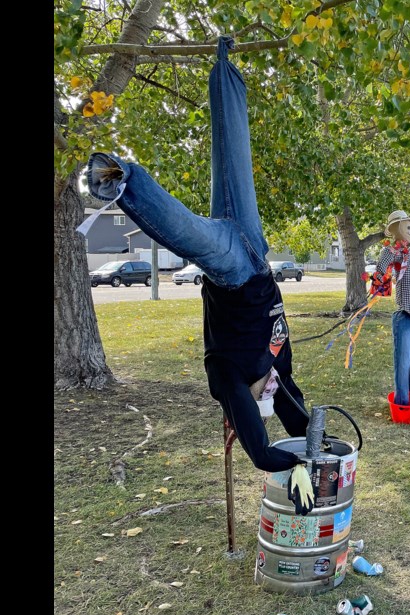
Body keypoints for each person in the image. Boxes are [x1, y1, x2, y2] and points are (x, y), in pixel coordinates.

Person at [85, 37, 310, 476]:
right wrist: (318, 451)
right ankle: (225, 66)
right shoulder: (276, 365)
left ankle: (118, 175)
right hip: (256, 251)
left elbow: (261, 450)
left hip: (230, 269)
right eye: (269, 395)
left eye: (262, 396)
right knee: (233, 158)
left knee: (184, 231)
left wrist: (291, 464)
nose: (270, 391)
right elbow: (298, 414)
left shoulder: (225, 375)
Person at [376, 211, 410, 407]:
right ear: (397, 230)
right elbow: (382, 265)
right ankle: (402, 403)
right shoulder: (397, 253)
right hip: (404, 315)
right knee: (402, 362)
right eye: (407, 228)